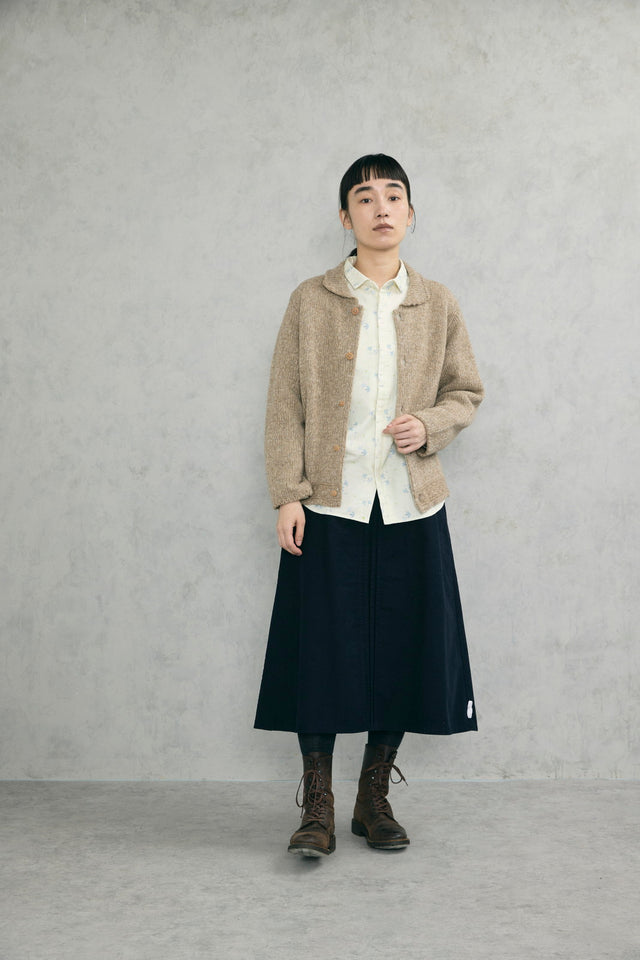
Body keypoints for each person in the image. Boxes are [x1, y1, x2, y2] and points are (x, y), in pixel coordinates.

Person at [254, 154, 484, 858]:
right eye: (364, 197)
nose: (381, 208)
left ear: (411, 214)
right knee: (320, 651)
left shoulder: (437, 302)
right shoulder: (311, 300)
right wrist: (288, 494)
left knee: (406, 647)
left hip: (411, 503)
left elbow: (465, 391)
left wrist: (430, 425)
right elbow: (284, 404)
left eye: (393, 196)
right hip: (330, 503)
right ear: (345, 216)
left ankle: (372, 798)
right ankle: (317, 806)